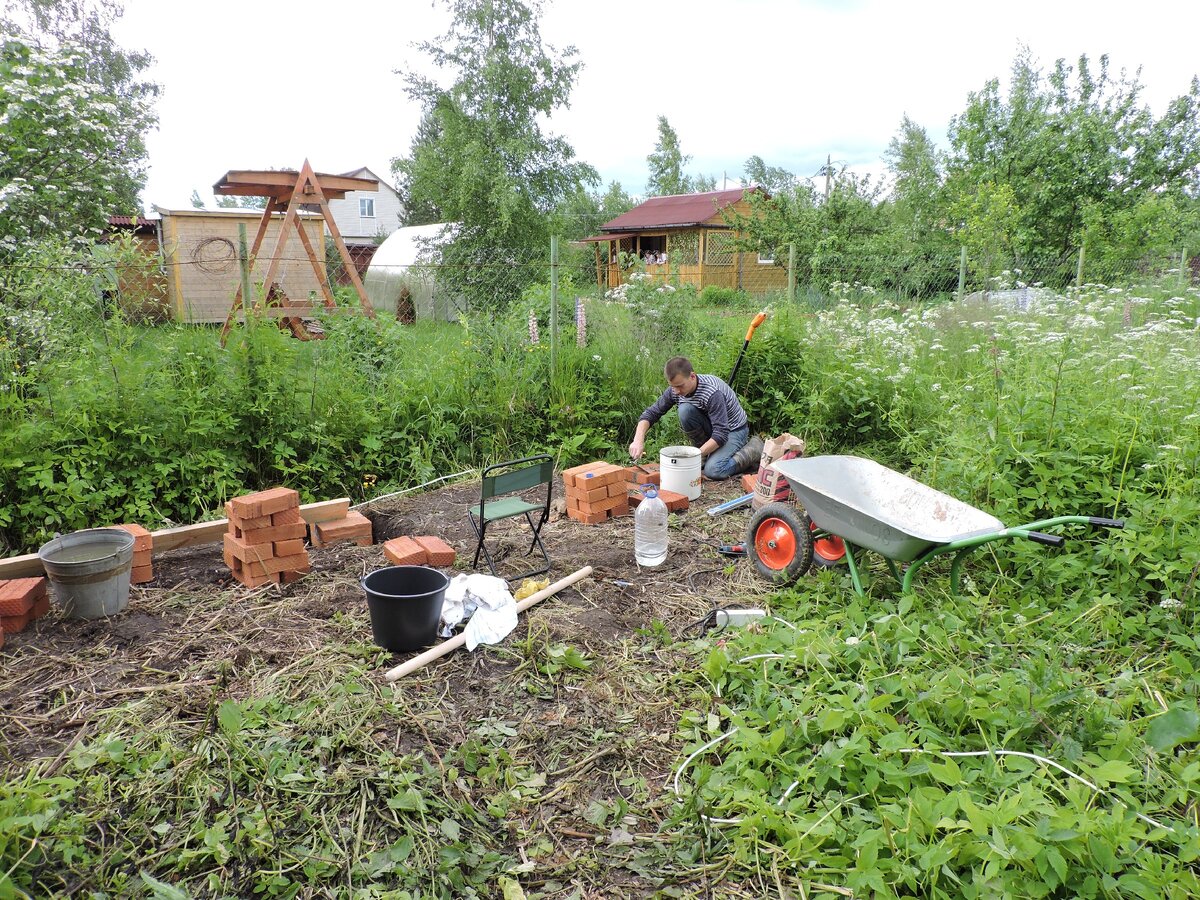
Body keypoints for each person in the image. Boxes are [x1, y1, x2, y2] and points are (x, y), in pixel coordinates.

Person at [629, 357, 763, 480]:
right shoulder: (675, 390)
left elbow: (721, 434)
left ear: (692, 376)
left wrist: (692, 456)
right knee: (685, 410)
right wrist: (638, 440)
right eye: (672, 386)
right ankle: (704, 455)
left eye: (680, 386)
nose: (676, 391)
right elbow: (651, 413)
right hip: (713, 426)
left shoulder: (712, 392)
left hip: (734, 430)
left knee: (714, 470)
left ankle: (754, 449)